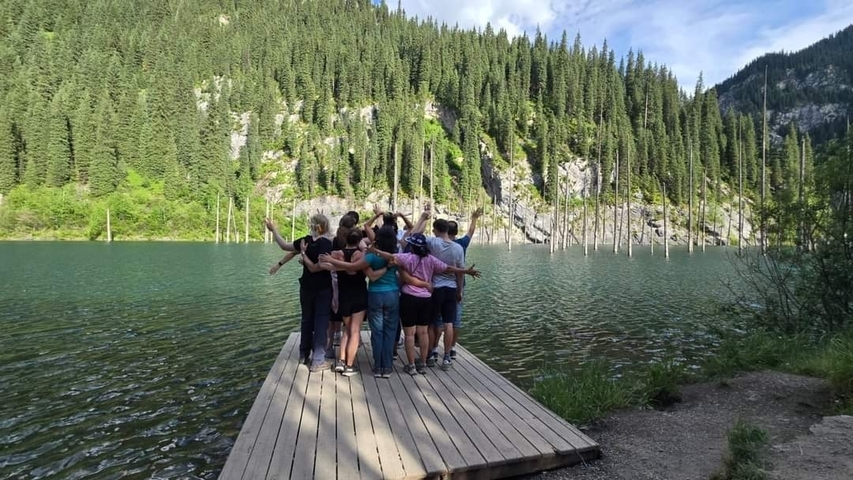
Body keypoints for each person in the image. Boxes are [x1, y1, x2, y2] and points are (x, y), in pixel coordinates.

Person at [369, 233, 480, 375]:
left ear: (413, 247)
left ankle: (411, 366)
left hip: (408, 297)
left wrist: (375, 251)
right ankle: (422, 363)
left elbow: (390, 256)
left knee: (409, 334)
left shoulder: (407, 258)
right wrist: (466, 271)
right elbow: (449, 269)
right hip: (426, 299)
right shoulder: (431, 260)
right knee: (423, 332)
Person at [266, 214, 333, 372]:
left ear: (312, 225)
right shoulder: (327, 244)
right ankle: (318, 360)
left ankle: (304, 354)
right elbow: (316, 267)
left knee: (306, 320)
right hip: (323, 288)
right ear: (325, 226)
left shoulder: (304, 241)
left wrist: (274, 230)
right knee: (321, 322)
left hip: (306, 288)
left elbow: (284, 246)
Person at [326, 228, 368, 377]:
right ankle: (349, 366)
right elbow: (353, 270)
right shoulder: (361, 255)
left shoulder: (336, 254)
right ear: (359, 240)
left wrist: (333, 262)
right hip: (358, 296)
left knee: (346, 329)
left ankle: (342, 361)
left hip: (343, 297)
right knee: (355, 331)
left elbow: (329, 266)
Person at [445, 207, 483, 359]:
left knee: (439, 320)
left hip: (441, 285)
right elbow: (471, 232)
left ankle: (434, 349)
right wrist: (474, 218)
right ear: (456, 231)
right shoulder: (461, 244)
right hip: (459, 285)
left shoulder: (438, 245)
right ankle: (452, 347)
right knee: (456, 319)